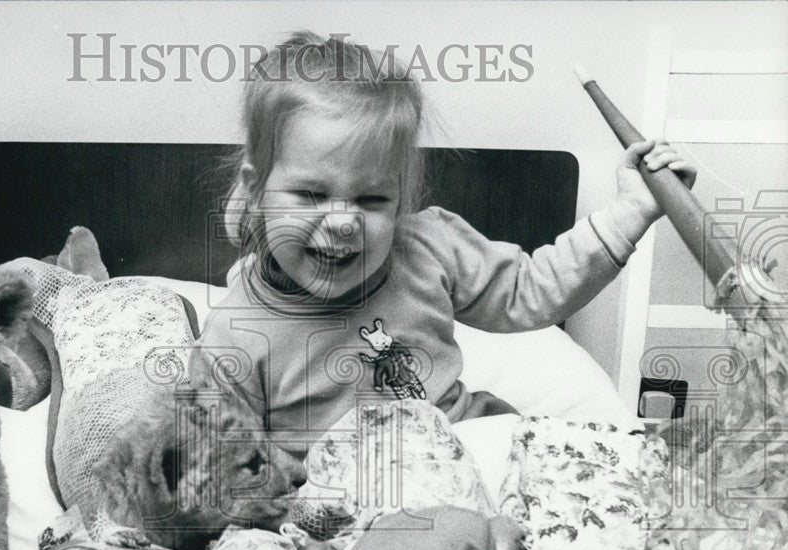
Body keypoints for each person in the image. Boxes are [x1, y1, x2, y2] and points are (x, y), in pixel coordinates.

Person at [193, 31, 695, 460]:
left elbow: (531, 290)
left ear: (401, 198)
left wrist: (630, 212)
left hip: (470, 450)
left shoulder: (426, 248)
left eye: (371, 199)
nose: (343, 223)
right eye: (311, 194)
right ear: (257, 189)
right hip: (342, 507)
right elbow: (222, 473)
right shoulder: (235, 336)